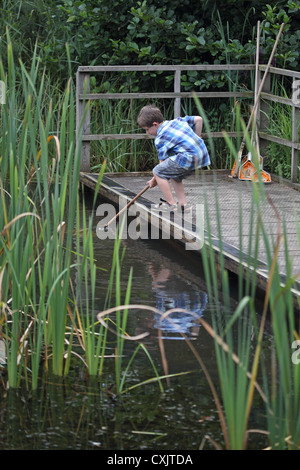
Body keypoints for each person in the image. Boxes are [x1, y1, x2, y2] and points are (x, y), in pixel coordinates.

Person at [137, 104, 210, 211]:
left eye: (147, 129)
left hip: (188, 157)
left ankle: (171, 205)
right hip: (202, 154)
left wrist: (154, 179)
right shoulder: (178, 121)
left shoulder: (160, 138)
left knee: (158, 171)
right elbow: (198, 119)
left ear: (155, 124)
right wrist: (197, 137)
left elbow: (162, 165)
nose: (147, 133)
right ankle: (183, 205)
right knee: (174, 173)